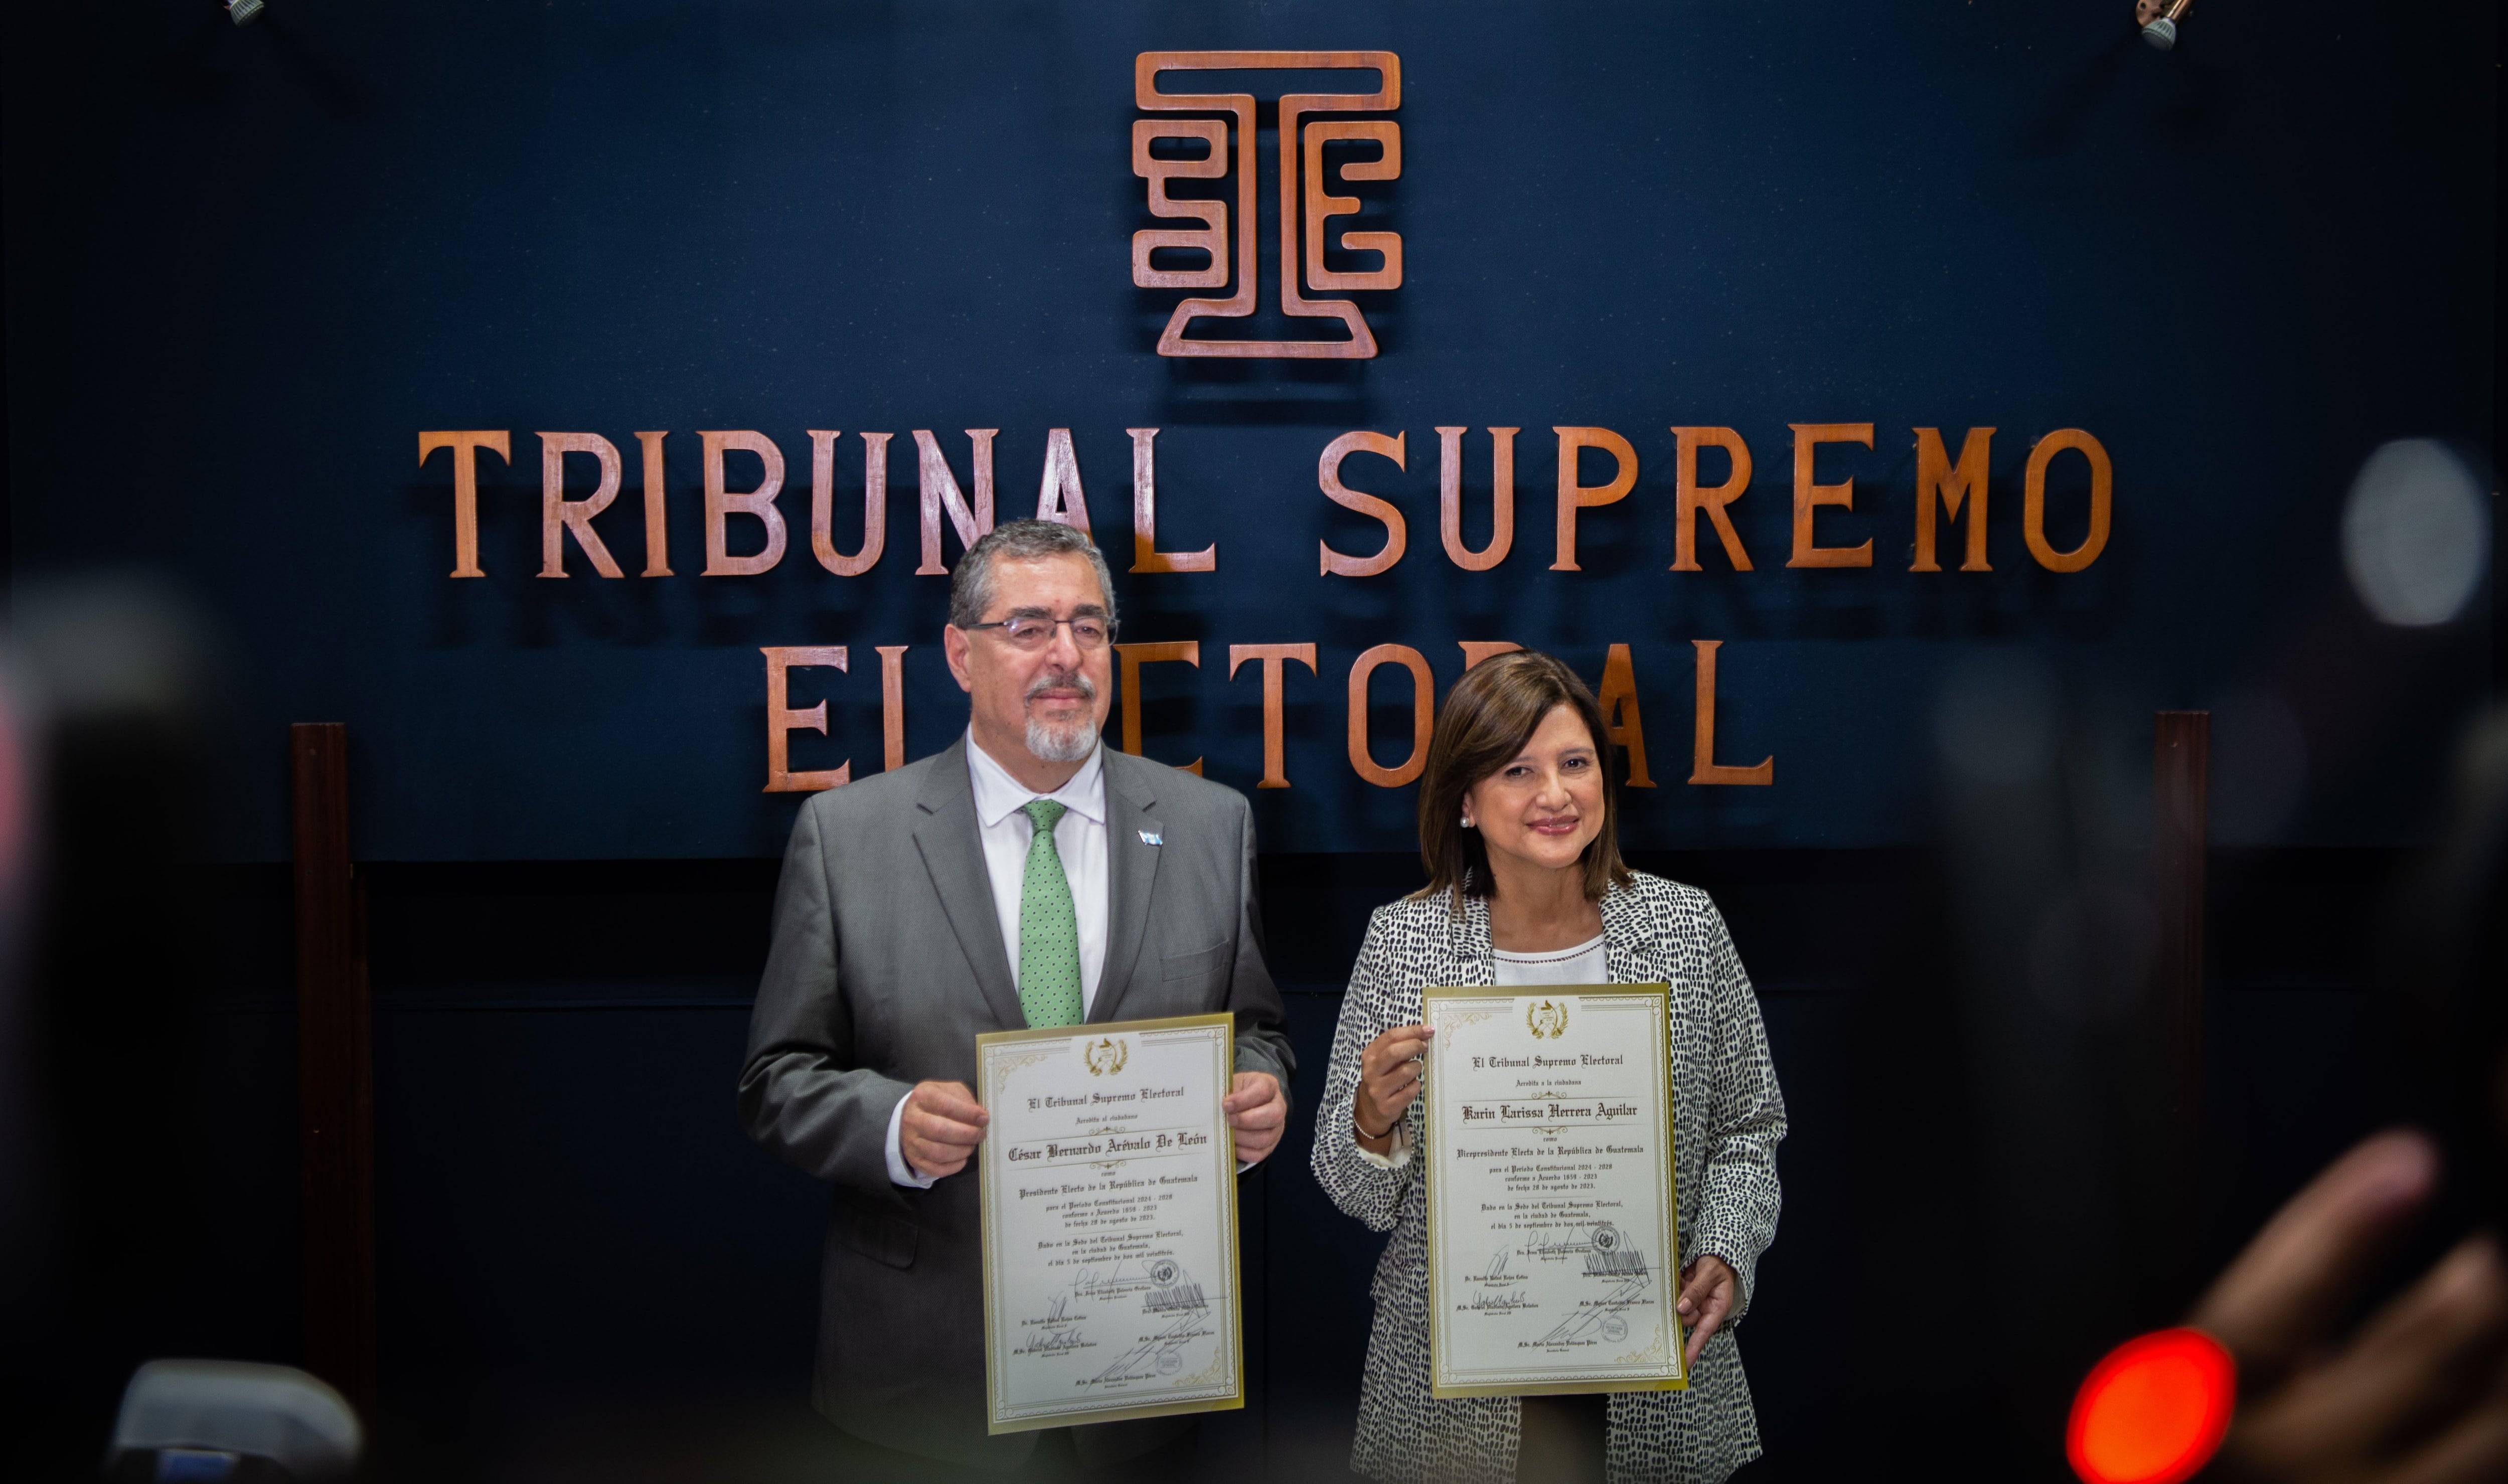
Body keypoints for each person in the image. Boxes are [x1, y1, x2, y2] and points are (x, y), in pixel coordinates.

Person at [739, 519, 1295, 1479]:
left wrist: (1259, 1091)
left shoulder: (1213, 826)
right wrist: (893, 1123)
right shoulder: (847, 838)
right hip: (925, 1380)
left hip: (1141, 1368)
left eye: (1089, 627)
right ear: (962, 652)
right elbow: (777, 1078)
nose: (1066, 657)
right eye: (1028, 628)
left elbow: (1258, 1030)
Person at [1311, 650, 1786, 1484]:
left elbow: (1750, 1128)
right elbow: (1356, 1194)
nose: (1557, 795)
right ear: (1464, 799)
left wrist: (1727, 1249)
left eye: (1575, 764)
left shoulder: (1685, 927)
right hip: (1452, 1380)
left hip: (1652, 1357)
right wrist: (1370, 1122)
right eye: (1518, 771)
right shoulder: (1403, 941)